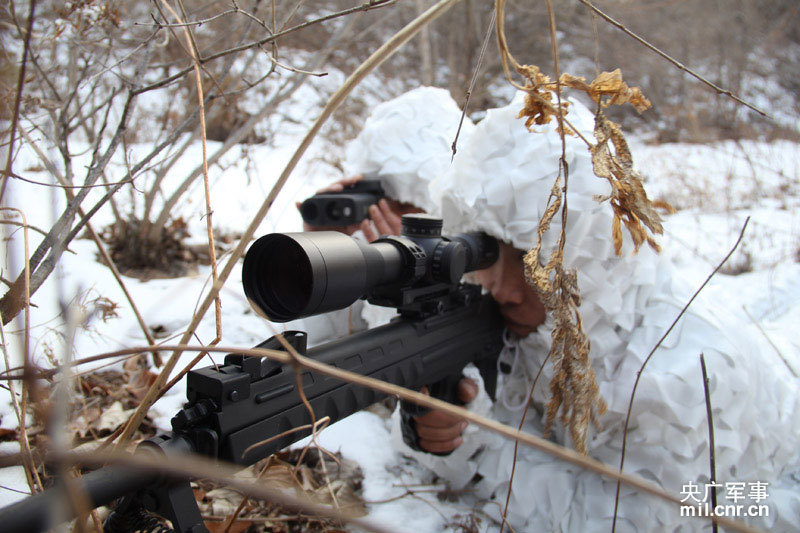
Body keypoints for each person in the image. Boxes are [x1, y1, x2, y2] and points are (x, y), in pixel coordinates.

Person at [305, 88, 800, 531]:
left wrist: (481, 445)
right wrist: (448, 427)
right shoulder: (517, 318)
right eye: (488, 251)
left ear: (588, 258)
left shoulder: (681, 369)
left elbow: (651, 521)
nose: (504, 290)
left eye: (535, 263)